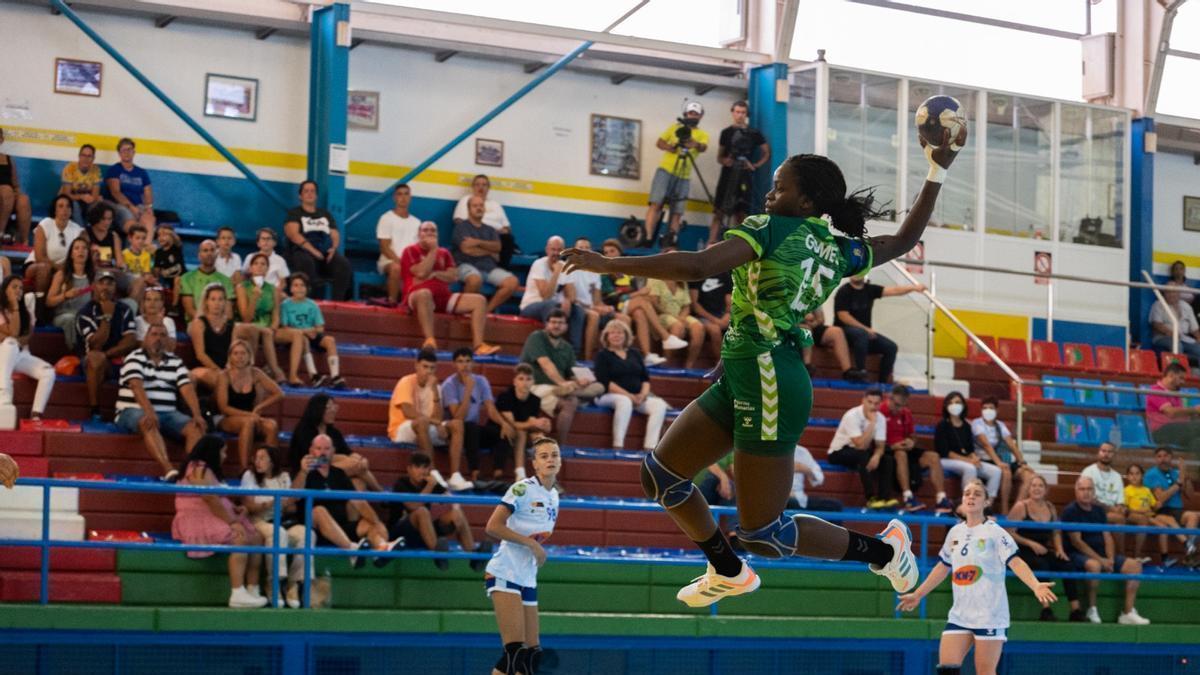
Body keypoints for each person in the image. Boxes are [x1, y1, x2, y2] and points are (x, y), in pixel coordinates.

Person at [559, 131, 968, 605]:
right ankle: (728, 571)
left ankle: (883, 551)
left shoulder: (768, 228)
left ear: (808, 200)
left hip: (770, 379)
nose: (770, 195)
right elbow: (903, 239)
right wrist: (937, 171)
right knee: (660, 475)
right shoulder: (838, 251)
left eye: (779, 187)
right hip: (747, 370)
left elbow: (696, 266)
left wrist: (609, 264)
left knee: (762, 533)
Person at [897, 479, 1057, 675]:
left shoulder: (995, 532)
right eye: (967, 493)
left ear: (986, 502)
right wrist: (918, 594)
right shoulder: (955, 532)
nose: (971, 497)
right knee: (946, 669)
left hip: (989, 615)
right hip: (960, 614)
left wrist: (1035, 585)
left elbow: (1015, 562)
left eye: (977, 494)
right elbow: (942, 567)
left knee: (985, 672)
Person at [484, 437, 561, 675]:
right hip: (505, 572)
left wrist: (534, 546)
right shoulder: (523, 489)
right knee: (515, 652)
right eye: (544, 456)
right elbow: (492, 526)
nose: (550, 460)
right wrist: (530, 543)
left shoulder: (555, 495)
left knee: (532, 655)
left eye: (555, 455)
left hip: (527, 576)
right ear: (534, 464)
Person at [170, 435, 268, 608]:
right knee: (240, 537)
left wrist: (234, 509)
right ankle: (237, 593)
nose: (225, 456)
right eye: (223, 452)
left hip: (214, 515)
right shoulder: (198, 468)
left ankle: (253, 589)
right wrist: (232, 522)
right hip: (197, 519)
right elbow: (209, 498)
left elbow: (217, 498)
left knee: (257, 538)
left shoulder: (206, 470)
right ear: (212, 452)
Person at [295, 434, 401, 568]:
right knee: (319, 511)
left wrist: (377, 523)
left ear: (333, 451)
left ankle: (382, 547)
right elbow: (293, 497)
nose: (322, 452)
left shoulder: (338, 473)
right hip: (317, 530)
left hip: (341, 526)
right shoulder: (305, 473)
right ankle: (351, 550)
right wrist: (303, 472)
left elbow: (357, 500)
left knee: (367, 518)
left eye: (327, 448)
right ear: (311, 451)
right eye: (319, 448)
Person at [115, 323, 205, 479]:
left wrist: (197, 414)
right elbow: (136, 386)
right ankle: (168, 469)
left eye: (163, 335)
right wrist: (150, 412)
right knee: (147, 420)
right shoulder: (134, 357)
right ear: (145, 338)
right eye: (154, 334)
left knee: (195, 427)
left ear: (168, 340)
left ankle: (189, 474)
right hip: (132, 410)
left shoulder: (175, 361)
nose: (158, 339)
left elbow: (187, 388)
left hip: (168, 413)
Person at [400, 220, 499, 355]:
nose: (430, 233)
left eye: (433, 230)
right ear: (419, 234)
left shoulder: (445, 253)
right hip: (417, 297)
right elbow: (422, 272)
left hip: (443, 297)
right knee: (424, 293)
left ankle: (479, 345)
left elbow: (453, 276)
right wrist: (433, 251)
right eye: (425, 230)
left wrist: (434, 273)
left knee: (479, 300)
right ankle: (429, 340)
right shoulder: (410, 251)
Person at [1061, 475, 1150, 625]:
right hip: (1078, 554)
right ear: (1076, 491)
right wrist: (1100, 560)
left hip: (1102, 554)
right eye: (1082, 489)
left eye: (1089, 489)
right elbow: (1077, 542)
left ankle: (1127, 612)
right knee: (1094, 566)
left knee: (1135, 566)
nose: (1086, 492)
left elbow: (1107, 535)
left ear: (1094, 491)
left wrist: (1110, 559)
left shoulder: (1099, 510)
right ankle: (1092, 608)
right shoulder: (1070, 511)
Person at [389, 452, 490, 571]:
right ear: (409, 469)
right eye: (418, 467)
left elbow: (450, 497)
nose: (422, 471)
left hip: (424, 531)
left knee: (457, 514)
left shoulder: (430, 483)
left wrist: (456, 513)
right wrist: (430, 487)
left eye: (425, 467)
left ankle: (473, 556)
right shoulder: (401, 483)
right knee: (422, 511)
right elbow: (413, 506)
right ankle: (437, 555)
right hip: (401, 533)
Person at [387, 349, 470, 491]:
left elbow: (437, 417)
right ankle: (432, 471)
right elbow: (408, 412)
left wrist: (435, 392)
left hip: (425, 426)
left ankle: (455, 475)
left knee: (457, 424)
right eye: (425, 367)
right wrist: (437, 423)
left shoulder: (436, 387)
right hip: (401, 429)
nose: (428, 371)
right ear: (416, 366)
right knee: (422, 422)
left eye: (432, 368)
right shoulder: (406, 381)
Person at [520, 309, 604, 445]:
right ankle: (560, 445)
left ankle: (571, 390)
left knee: (599, 386)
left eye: (560, 323)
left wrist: (580, 380)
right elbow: (546, 364)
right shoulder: (536, 337)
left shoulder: (567, 347)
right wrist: (562, 383)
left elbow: (571, 372)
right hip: (536, 386)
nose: (556, 325)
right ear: (546, 324)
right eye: (553, 322)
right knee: (571, 402)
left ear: (566, 326)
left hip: (559, 387)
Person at [1007, 473, 1080, 621]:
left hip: (1044, 550)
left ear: (1046, 490)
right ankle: (1046, 609)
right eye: (1033, 485)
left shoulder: (1050, 507)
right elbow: (1008, 532)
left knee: (1068, 565)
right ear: (1029, 489)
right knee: (1041, 564)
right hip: (1022, 551)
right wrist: (1030, 543)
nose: (1037, 489)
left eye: (1040, 486)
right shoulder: (1021, 506)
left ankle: (1075, 610)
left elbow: (1056, 532)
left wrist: (1059, 549)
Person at [240, 446, 305, 608]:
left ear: (272, 460)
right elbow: (249, 505)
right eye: (256, 458)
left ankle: (293, 585)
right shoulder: (249, 476)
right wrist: (271, 502)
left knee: (306, 534)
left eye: (262, 458)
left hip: (281, 519)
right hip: (258, 520)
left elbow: (290, 508)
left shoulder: (283, 478)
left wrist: (288, 502)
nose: (258, 461)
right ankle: (274, 584)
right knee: (278, 534)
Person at [832, 276, 924, 384]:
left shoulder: (869, 289)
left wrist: (913, 288)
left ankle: (882, 383)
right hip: (845, 332)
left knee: (891, 347)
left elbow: (894, 291)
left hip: (864, 335)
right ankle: (861, 371)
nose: (856, 275)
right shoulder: (844, 291)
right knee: (861, 334)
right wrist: (865, 328)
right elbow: (843, 316)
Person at [593, 320, 669, 450]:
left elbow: (645, 378)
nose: (616, 336)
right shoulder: (602, 355)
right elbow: (605, 382)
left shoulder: (635, 353)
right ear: (607, 336)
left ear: (626, 335)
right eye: (612, 333)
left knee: (659, 405)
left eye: (620, 333)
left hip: (636, 396)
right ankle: (618, 445)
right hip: (608, 395)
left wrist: (643, 395)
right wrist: (629, 395)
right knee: (624, 401)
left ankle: (650, 447)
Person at [442, 348, 515, 481]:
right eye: (460, 362)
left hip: (473, 432)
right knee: (470, 427)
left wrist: (504, 423)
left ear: (473, 363)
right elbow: (458, 417)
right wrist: (468, 390)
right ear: (454, 364)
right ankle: (475, 472)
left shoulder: (481, 381)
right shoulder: (449, 385)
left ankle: (498, 474)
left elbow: (491, 409)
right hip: (456, 432)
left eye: (468, 361)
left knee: (502, 432)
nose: (465, 365)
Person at [642, 101, 709, 246]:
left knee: (678, 210)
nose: (693, 116)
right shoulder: (674, 128)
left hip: (684, 175)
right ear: (686, 114)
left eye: (696, 114)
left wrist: (695, 144)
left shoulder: (702, 134)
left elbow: (703, 147)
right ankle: (647, 237)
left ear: (700, 116)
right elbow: (659, 142)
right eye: (691, 113)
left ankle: (671, 240)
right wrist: (670, 147)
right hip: (666, 170)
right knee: (656, 203)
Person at [286, 394, 383, 492]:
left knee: (358, 482)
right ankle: (382, 496)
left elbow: (347, 452)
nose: (333, 410)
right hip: (310, 470)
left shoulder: (333, 432)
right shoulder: (304, 430)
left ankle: (351, 505)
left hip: (331, 468)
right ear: (318, 409)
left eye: (334, 407)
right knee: (355, 465)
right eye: (329, 407)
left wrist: (361, 459)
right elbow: (314, 459)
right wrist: (344, 459)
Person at [76, 269, 138, 419]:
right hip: (91, 363)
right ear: (94, 286)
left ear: (115, 287)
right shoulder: (85, 312)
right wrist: (107, 317)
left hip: (115, 361)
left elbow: (130, 342)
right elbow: (96, 345)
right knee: (95, 358)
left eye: (109, 284)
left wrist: (106, 354)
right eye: (101, 283)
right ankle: (95, 410)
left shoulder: (124, 309)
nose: (105, 287)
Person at [881, 384, 950, 513]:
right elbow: (875, 442)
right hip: (887, 449)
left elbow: (913, 436)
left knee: (933, 457)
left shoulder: (905, 413)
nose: (899, 409)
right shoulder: (880, 412)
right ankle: (908, 497)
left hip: (904, 448)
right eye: (897, 405)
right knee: (900, 453)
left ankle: (941, 498)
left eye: (903, 405)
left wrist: (911, 442)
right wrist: (892, 446)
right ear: (889, 398)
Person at [709, 100, 770, 245]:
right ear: (732, 112)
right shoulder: (726, 132)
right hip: (727, 175)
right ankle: (711, 241)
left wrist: (754, 165)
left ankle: (739, 244)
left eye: (743, 112)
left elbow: (767, 152)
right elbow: (720, 156)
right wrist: (726, 160)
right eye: (737, 112)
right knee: (719, 210)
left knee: (741, 211)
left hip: (745, 175)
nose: (740, 115)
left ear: (746, 114)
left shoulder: (754, 133)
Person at [215, 340, 283, 470]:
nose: (240, 357)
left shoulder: (256, 373)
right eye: (235, 353)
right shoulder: (223, 376)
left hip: (252, 416)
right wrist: (250, 415)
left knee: (272, 426)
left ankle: (269, 469)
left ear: (249, 356)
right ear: (230, 356)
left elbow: (279, 393)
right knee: (248, 422)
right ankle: (244, 469)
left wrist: (259, 407)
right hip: (228, 418)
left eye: (243, 353)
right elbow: (224, 408)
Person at [282, 180, 353, 301]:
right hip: (302, 251)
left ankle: (338, 304)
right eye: (306, 191)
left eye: (312, 191)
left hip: (324, 252)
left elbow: (335, 233)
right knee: (306, 263)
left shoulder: (325, 214)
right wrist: (313, 251)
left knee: (343, 264)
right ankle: (309, 302)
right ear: (300, 196)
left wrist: (333, 249)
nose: (310, 194)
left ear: (316, 195)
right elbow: (293, 234)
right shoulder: (295, 213)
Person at [826, 388, 896, 509]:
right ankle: (871, 498)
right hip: (838, 452)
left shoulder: (881, 418)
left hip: (860, 453)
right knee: (862, 455)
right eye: (870, 402)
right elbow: (860, 445)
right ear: (863, 401)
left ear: (881, 404)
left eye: (876, 403)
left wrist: (877, 456)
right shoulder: (852, 415)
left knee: (887, 459)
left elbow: (880, 445)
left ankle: (884, 498)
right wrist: (872, 423)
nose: (873, 406)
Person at [0, 275, 55, 422]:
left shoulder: (27, 311)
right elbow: (14, 333)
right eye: (14, 287)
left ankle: (36, 414)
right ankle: (4, 397)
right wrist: (14, 306)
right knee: (10, 343)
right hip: (3, 353)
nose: (18, 290)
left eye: (21, 288)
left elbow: (26, 337)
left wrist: (10, 334)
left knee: (48, 372)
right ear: (5, 290)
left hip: (19, 354)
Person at [519, 236, 588, 353]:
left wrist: (568, 301)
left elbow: (572, 297)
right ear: (547, 250)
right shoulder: (539, 264)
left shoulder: (565, 266)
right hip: (531, 306)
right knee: (552, 305)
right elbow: (545, 296)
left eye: (559, 250)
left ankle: (573, 352)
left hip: (555, 305)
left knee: (578, 311)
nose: (556, 253)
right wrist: (556, 272)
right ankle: (550, 348)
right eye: (553, 249)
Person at [452, 195, 519, 313]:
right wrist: (489, 251)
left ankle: (485, 311)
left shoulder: (490, 230)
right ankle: (464, 312)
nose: (479, 208)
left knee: (512, 282)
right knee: (475, 280)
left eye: (481, 205)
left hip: (489, 268)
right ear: (469, 209)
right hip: (466, 265)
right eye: (475, 206)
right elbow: (466, 249)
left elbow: (497, 247)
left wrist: (476, 242)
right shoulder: (461, 228)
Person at [934, 391, 1002, 507]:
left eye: (958, 402)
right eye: (951, 402)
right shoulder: (942, 425)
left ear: (963, 405)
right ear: (946, 406)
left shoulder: (966, 426)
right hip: (945, 460)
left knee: (996, 471)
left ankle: (986, 505)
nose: (954, 405)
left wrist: (975, 458)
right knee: (970, 468)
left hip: (965, 460)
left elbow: (970, 449)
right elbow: (945, 452)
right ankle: (967, 504)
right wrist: (969, 461)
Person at [278, 272, 345, 388]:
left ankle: (335, 377)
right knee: (303, 339)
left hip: (312, 334)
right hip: (296, 336)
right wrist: (304, 331)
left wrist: (313, 330)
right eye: (296, 285)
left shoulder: (312, 305)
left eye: (302, 285)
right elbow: (284, 327)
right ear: (291, 288)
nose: (299, 288)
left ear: (307, 288)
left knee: (330, 340)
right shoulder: (285, 305)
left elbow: (320, 327)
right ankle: (314, 375)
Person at [489, 364, 553, 482]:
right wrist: (533, 423)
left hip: (522, 436)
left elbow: (532, 424)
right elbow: (512, 424)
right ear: (514, 381)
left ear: (533, 381)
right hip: (502, 436)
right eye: (521, 379)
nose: (525, 382)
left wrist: (544, 426)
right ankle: (520, 473)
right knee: (521, 432)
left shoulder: (535, 400)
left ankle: (549, 477)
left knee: (540, 437)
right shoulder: (506, 397)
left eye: (528, 379)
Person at [971, 397, 1034, 514]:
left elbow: (1011, 444)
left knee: (1028, 475)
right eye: (985, 408)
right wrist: (998, 463)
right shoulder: (977, 423)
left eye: (991, 408)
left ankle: (1016, 509)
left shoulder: (1000, 425)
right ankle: (1004, 509)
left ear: (996, 410)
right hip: (987, 459)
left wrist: (1022, 463)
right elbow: (986, 445)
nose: (988, 410)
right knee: (1006, 472)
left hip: (1001, 460)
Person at [236, 253, 289, 382]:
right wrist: (254, 298)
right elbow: (246, 319)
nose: (259, 267)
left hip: (268, 328)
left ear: (267, 269)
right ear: (250, 268)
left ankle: (295, 375)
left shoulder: (273, 289)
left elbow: (276, 314)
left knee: (297, 335)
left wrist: (274, 327)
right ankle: (275, 370)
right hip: (249, 325)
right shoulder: (242, 287)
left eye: (263, 264)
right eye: (256, 264)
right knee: (264, 332)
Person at [1143, 446, 1200, 565]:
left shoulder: (1176, 473)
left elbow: (1189, 495)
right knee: (1170, 519)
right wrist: (1179, 482)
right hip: (1161, 510)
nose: (1162, 459)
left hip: (1177, 510)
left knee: (1194, 516)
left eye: (1165, 456)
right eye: (1159, 456)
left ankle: (1189, 555)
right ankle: (1190, 550)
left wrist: (1186, 477)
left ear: (1171, 458)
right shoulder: (1151, 474)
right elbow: (1161, 498)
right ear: (1155, 459)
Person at [633, 276, 705, 369]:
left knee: (699, 327)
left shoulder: (682, 281)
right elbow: (654, 303)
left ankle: (689, 366)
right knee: (677, 326)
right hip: (661, 314)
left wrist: (682, 317)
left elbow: (686, 306)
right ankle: (666, 363)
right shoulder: (655, 279)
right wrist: (674, 316)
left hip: (680, 315)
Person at [1123, 463, 1184, 566]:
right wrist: (1141, 511)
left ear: (1142, 476)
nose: (1134, 476)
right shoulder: (1126, 490)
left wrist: (1158, 505)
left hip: (1149, 515)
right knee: (1144, 519)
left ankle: (1165, 558)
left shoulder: (1146, 490)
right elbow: (1125, 509)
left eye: (1137, 474)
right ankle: (1137, 556)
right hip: (1134, 515)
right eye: (1131, 474)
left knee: (1163, 526)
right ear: (1128, 476)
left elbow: (1153, 505)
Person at [453, 174, 517, 269]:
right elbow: (458, 220)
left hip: (494, 235)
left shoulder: (495, 204)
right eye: (477, 184)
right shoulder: (466, 200)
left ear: (488, 188)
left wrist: (500, 231)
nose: (481, 187)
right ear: (473, 187)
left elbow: (507, 227)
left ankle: (501, 269)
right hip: (473, 232)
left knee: (508, 238)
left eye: (484, 185)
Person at [25, 194, 85, 294]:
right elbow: (39, 257)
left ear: (71, 210)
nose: (65, 209)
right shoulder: (45, 224)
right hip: (36, 265)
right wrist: (60, 268)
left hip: (64, 269)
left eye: (68, 206)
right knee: (45, 268)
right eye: (60, 206)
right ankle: (40, 305)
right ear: (55, 210)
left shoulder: (77, 230)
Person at [564, 237, 610, 360]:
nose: (584, 251)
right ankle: (588, 358)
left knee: (623, 317)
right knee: (594, 316)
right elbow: (572, 298)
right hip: (576, 307)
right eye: (580, 248)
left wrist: (605, 307)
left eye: (587, 248)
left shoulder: (595, 270)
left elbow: (597, 299)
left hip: (591, 307)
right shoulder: (568, 267)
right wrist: (594, 307)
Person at [45, 235, 94, 352]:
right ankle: (75, 351)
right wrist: (65, 295)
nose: (81, 251)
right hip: (64, 315)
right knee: (71, 319)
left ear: (88, 254)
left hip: (85, 315)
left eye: (84, 248)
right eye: (77, 248)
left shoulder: (93, 277)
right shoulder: (61, 275)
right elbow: (49, 302)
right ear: (71, 254)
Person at [1080, 441, 1129, 552]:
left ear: (1114, 455)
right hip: (1091, 511)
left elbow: (1120, 501)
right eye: (1103, 451)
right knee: (1119, 519)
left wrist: (1121, 508)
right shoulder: (1088, 472)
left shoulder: (1117, 476)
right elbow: (1088, 499)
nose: (1106, 454)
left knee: (1124, 515)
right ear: (1098, 453)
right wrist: (1111, 508)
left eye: (1109, 452)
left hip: (1111, 512)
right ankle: (1121, 554)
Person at [376, 183, 421, 304]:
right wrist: (402, 262)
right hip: (389, 261)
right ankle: (392, 302)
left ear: (410, 197)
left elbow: (418, 249)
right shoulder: (386, 218)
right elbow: (384, 247)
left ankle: (413, 304)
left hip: (409, 262)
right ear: (394, 198)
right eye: (400, 194)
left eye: (406, 194)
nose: (403, 197)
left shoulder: (417, 222)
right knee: (397, 268)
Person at [187, 284, 237, 391]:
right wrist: (218, 370)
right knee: (223, 382)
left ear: (225, 302)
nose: (217, 303)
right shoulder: (199, 323)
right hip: (206, 368)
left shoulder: (230, 324)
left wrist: (229, 368)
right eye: (213, 299)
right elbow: (200, 355)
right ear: (206, 302)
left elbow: (232, 351)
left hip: (226, 368)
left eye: (220, 299)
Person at [103, 137, 156, 234]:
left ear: (134, 152)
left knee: (149, 219)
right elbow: (116, 192)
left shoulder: (142, 172)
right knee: (133, 225)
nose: (127, 152)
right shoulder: (114, 170)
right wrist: (131, 207)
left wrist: (149, 207)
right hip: (120, 205)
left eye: (129, 150)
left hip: (138, 205)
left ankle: (146, 248)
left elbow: (148, 192)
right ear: (119, 153)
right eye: (124, 150)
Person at [1145, 362, 1200, 452]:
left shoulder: (1176, 394)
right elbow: (1171, 412)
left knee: (1197, 443)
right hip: (1162, 432)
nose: (1183, 382)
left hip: (1179, 430)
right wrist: (1195, 410)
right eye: (1181, 378)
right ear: (1171, 375)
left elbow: (1182, 415)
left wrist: (1195, 415)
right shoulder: (1155, 391)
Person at [178, 239, 234, 322]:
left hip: (220, 325)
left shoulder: (226, 281)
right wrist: (208, 324)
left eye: (212, 250)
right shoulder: (186, 278)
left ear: (216, 254)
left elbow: (228, 313)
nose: (209, 253)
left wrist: (216, 325)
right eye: (205, 250)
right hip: (195, 323)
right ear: (199, 255)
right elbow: (190, 310)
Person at [800, 308, 861, 382]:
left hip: (813, 327)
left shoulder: (813, 297)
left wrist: (815, 322)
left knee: (837, 332)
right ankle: (807, 366)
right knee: (806, 331)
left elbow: (821, 319)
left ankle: (847, 371)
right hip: (794, 325)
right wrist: (803, 316)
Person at [689, 263, 732, 363]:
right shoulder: (697, 275)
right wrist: (715, 320)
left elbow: (729, 300)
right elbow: (695, 306)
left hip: (722, 315)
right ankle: (721, 366)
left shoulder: (725, 274)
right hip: (701, 316)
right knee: (715, 330)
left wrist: (728, 314)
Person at [1149, 286, 1200, 367]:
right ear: (1164, 294)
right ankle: (1176, 369)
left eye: (1174, 292)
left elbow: (1195, 328)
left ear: (1179, 294)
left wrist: (1198, 338)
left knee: (1198, 349)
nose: (1171, 295)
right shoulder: (1158, 305)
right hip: (1163, 337)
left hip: (1184, 338)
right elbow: (1156, 324)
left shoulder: (1186, 306)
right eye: (1168, 292)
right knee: (1177, 346)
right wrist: (1171, 333)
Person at [0, 127, 33, 245]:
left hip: (8, 197)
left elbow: (16, 185)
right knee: (6, 190)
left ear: (2, 140)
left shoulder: (9, 159)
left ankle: (23, 241)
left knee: (24, 199)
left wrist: (17, 193)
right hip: (3, 194)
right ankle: (1, 231)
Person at [787, 444, 842, 512]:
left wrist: (806, 470)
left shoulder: (801, 451)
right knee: (791, 502)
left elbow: (819, 479)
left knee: (835, 505)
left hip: (799, 497)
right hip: (779, 498)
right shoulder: (772, 452)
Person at [59, 143, 102, 227]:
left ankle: (94, 233)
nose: (86, 159)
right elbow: (66, 194)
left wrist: (93, 199)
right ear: (79, 156)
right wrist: (81, 197)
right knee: (75, 205)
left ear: (93, 158)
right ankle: (81, 232)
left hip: (86, 201)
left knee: (99, 204)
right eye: (83, 155)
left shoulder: (96, 170)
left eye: (89, 156)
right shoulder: (70, 168)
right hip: (68, 199)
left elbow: (95, 195)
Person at [152, 225, 186, 305]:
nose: (161, 237)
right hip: (168, 283)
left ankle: (174, 306)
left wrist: (170, 232)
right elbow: (156, 271)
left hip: (183, 280)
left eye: (164, 234)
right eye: (159, 235)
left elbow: (177, 241)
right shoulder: (159, 253)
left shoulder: (176, 248)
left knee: (177, 279)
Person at [86, 201, 124, 272]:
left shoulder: (114, 236)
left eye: (109, 219)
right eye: (103, 219)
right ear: (95, 218)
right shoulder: (86, 234)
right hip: (92, 272)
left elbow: (119, 262)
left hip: (111, 271)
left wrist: (122, 267)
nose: (107, 223)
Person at [122, 224, 154, 304]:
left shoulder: (146, 255)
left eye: (143, 238)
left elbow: (146, 273)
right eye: (137, 238)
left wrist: (148, 278)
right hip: (128, 281)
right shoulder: (124, 254)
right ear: (130, 238)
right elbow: (124, 273)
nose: (141, 241)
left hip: (142, 281)